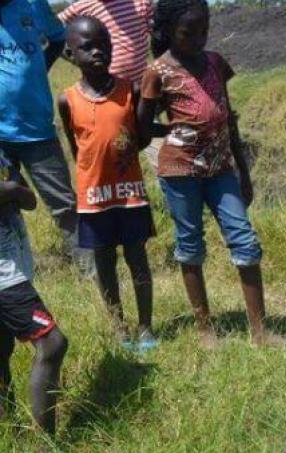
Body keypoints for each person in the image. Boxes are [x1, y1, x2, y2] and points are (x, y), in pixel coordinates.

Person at [136, 0, 274, 346]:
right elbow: (141, 124)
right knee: (190, 246)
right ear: (168, 32)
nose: (198, 39)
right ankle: (205, 330)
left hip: (221, 169)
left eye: (204, 31)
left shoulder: (215, 62)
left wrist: (243, 170)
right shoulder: (158, 72)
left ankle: (260, 331)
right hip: (180, 171)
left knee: (245, 240)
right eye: (188, 33)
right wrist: (171, 131)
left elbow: (228, 118)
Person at [57, 16, 157, 351]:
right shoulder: (67, 99)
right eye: (87, 47)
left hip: (129, 195)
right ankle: (119, 327)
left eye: (104, 45)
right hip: (94, 198)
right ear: (71, 54)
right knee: (105, 265)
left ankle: (145, 328)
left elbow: (138, 138)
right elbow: (79, 148)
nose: (98, 51)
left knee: (137, 259)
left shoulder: (130, 91)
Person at [0, 0, 94, 275]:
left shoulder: (32, 5)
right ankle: (15, 276)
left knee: (64, 206)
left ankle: (93, 275)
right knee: (5, 207)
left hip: (36, 127)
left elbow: (57, 38)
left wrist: (40, 65)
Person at [0, 150, 70, 453]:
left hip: (13, 265)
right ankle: (46, 449)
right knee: (53, 342)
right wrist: (12, 191)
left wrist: (13, 191)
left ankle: (8, 433)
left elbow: (29, 200)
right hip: (5, 278)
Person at [58, 0, 154, 88]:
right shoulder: (82, 7)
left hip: (141, 84)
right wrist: (75, 58)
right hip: (105, 88)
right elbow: (53, 31)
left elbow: (159, 37)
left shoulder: (141, 3)